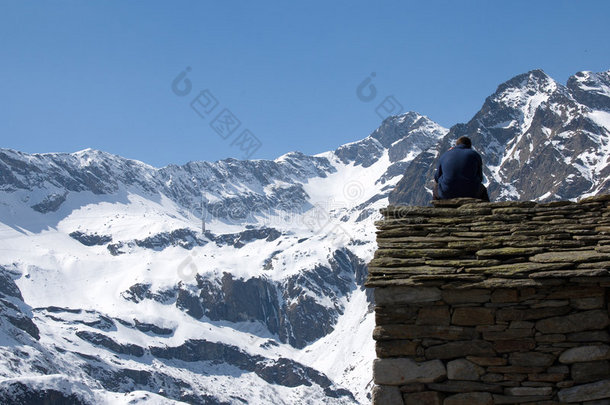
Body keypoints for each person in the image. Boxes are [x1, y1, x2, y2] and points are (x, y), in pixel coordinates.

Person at [433, 136, 489, 201]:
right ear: (470, 146)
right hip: (471, 193)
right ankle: (487, 210)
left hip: (447, 193)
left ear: (456, 145)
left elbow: (437, 177)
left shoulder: (445, 155)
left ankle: (437, 208)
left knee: (436, 188)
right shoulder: (475, 154)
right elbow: (480, 177)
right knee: (483, 190)